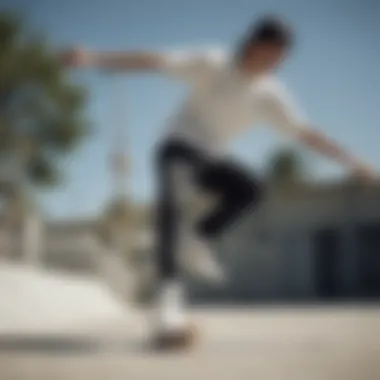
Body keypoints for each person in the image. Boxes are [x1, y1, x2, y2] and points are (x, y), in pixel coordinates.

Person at [62, 16, 375, 349]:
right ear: (252, 44)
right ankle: (168, 304)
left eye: (277, 61)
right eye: (268, 55)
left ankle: (199, 236)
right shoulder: (213, 62)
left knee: (250, 189)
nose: (270, 65)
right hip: (178, 146)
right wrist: (94, 57)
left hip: (212, 158)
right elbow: (153, 60)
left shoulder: (271, 93)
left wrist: (353, 162)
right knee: (173, 200)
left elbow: (305, 133)